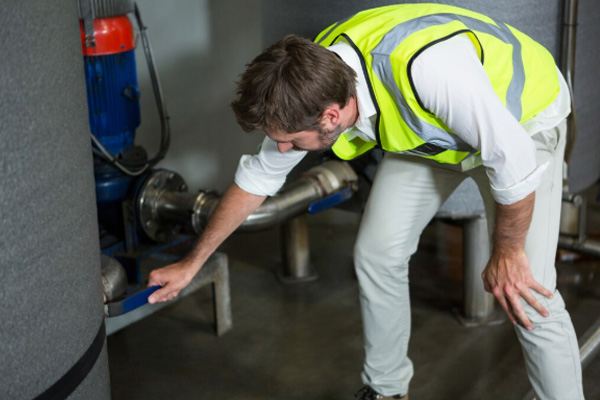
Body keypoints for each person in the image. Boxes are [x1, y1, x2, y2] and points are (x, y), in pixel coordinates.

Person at [147, 4, 584, 399]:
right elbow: (256, 180)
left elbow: (513, 162)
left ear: (331, 116)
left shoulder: (428, 71)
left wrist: (507, 252)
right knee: (377, 251)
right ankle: (387, 390)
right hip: (440, 135)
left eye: (290, 142)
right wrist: (192, 262)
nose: (282, 149)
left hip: (524, 122)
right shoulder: (307, 87)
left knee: (527, 290)